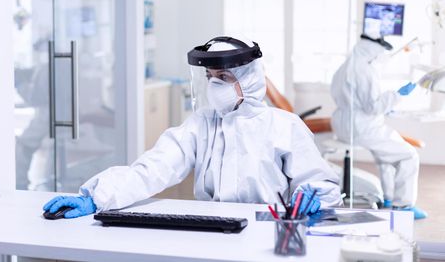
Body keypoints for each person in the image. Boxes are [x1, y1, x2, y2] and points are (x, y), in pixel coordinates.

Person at [43, 36, 341, 218]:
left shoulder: (283, 125)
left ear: (248, 78)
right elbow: (155, 167)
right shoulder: (201, 124)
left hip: (269, 231)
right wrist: (97, 196)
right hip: (213, 230)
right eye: (209, 76)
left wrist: (315, 195)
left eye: (222, 77)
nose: (213, 85)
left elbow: (320, 185)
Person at [330, 33, 427, 219]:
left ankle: (389, 199)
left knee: (387, 156)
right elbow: (373, 106)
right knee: (408, 156)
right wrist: (398, 95)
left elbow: (353, 100)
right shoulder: (365, 70)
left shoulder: (345, 66)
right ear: (372, 49)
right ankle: (403, 206)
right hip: (362, 128)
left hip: (343, 124)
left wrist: (384, 107)